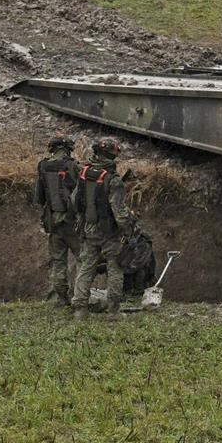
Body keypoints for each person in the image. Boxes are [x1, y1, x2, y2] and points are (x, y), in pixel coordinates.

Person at [72, 135, 138, 317]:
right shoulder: (113, 180)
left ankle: (79, 309)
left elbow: (74, 200)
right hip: (109, 232)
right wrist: (129, 228)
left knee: (86, 267)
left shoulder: (84, 173)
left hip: (88, 228)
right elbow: (120, 213)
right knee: (115, 267)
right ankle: (114, 311)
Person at [34, 132, 82, 306]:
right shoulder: (73, 166)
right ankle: (80, 296)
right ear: (68, 149)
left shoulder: (43, 166)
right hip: (73, 222)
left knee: (58, 261)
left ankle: (62, 298)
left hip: (53, 221)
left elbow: (39, 197)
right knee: (83, 259)